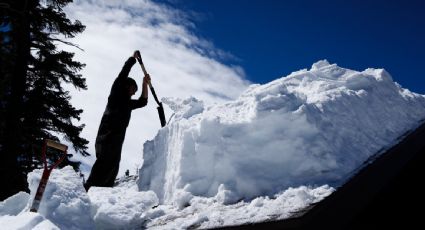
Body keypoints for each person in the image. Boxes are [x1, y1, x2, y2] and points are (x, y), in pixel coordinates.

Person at [84, 51, 150, 191]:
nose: (134, 93)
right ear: (126, 86)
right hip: (106, 136)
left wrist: (145, 84)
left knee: (113, 167)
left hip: (117, 139)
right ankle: (87, 190)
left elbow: (143, 102)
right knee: (103, 164)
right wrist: (133, 58)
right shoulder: (115, 94)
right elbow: (123, 73)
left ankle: (103, 194)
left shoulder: (128, 104)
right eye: (134, 89)